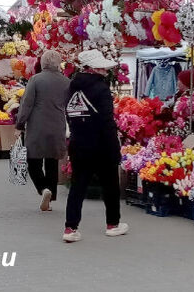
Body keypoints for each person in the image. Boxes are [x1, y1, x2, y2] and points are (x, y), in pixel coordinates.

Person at [62, 49, 128, 243]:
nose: (105, 71)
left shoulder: (72, 88)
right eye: (102, 67)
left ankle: (70, 227)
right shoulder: (101, 88)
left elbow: (70, 114)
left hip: (78, 143)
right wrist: (114, 147)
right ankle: (113, 224)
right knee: (110, 185)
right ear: (93, 68)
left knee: (77, 186)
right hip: (101, 144)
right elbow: (107, 121)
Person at [16, 50, 70, 212]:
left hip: (37, 126)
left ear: (42, 63)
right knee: (52, 162)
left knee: (33, 161)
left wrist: (19, 124)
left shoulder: (35, 80)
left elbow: (27, 103)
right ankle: (50, 198)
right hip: (57, 126)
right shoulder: (66, 82)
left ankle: (43, 188)